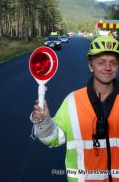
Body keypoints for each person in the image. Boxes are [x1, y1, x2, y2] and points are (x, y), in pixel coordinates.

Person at [30, 35, 119, 182]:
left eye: (113, 63)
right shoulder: (72, 101)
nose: (108, 68)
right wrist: (44, 121)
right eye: (101, 62)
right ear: (91, 65)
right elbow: (53, 138)